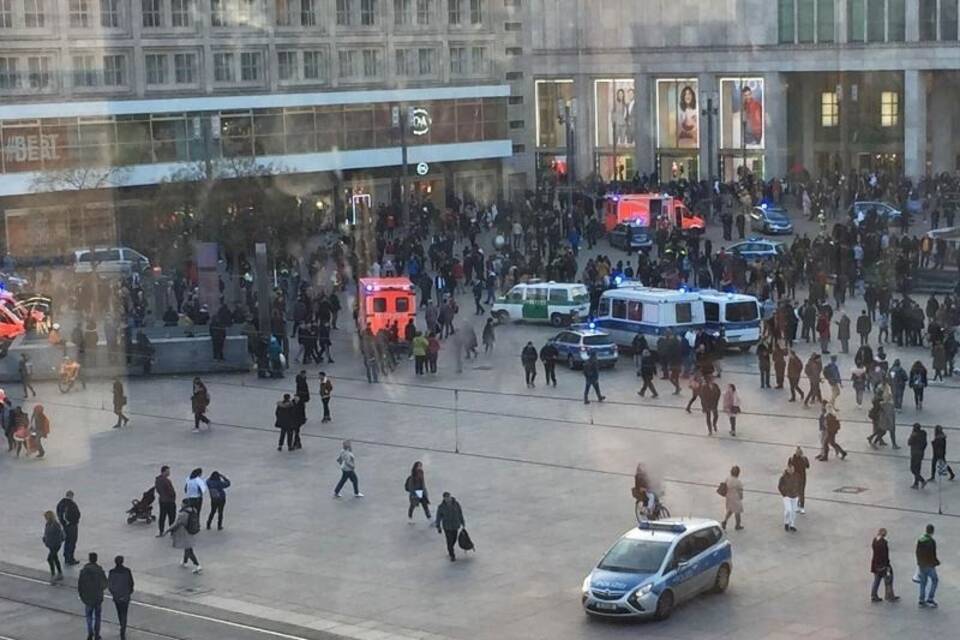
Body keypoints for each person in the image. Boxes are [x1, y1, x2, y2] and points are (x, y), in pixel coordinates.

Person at [164, 499, 201, 574]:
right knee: (187, 547)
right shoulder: (193, 510)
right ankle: (185, 561)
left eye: (182, 503)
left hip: (184, 532)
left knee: (189, 549)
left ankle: (197, 565)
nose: (181, 504)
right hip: (191, 531)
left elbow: (177, 524)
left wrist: (168, 530)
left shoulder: (183, 513)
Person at [77, 552, 107, 640]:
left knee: (89, 616)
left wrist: (82, 596)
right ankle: (97, 634)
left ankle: (90, 633)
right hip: (97, 598)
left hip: (88, 598)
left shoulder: (84, 570)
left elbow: (80, 585)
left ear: (89, 559)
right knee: (98, 616)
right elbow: (105, 584)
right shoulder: (99, 570)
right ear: (96, 559)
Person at [107, 556, 135, 640]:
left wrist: (114, 594)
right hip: (125, 596)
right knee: (124, 612)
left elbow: (110, 585)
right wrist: (129, 592)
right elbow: (131, 583)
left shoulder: (112, 572)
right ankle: (123, 628)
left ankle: (122, 625)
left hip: (117, 597)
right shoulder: (127, 571)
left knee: (119, 612)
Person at [870, 529, 900, 603]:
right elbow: (885, 555)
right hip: (883, 565)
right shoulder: (883, 543)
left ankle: (874, 595)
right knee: (889, 579)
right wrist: (887, 565)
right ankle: (889, 596)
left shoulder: (874, 540)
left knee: (877, 580)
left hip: (875, 564)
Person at [435, 492, 465, 561]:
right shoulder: (441, 507)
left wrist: (462, 522)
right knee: (449, 541)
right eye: (446, 498)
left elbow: (460, 513)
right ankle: (452, 555)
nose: (447, 499)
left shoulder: (456, 504)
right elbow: (438, 517)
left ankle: (450, 549)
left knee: (454, 539)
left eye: (448, 497)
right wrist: (438, 526)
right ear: (444, 498)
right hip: (447, 527)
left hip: (455, 525)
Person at [915, 524, 940, 608]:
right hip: (929, 565)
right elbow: (933, 554)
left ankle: (921, 600)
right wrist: (936, 562)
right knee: (935, 580)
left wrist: (919, 562)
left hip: (921, 565)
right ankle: (930, 598)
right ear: (932, 531)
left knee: (923, 582)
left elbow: (917, 552)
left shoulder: (920, 539)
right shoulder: (931, 541)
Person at [56, 490, 81, 566]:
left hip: (65, 526)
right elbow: (77, 514)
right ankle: (70, 558)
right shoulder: (71, 504)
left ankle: (66, 556)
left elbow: (58, 512)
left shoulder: (61, 503)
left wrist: (62, 522)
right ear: (71, 496)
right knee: (72, 541)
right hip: (72, 526)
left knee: (67, 541)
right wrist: (74, 521)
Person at [777, 463, 801, 532]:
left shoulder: (797, 476)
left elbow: (800, 484)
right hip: (787, 496)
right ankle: (786, 522)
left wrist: (798, 493)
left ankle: (792, 525)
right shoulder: (783, 477)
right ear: (787, 470)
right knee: (788, 510)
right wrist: (784, 494)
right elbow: (779, 486)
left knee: (793, 511)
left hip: (795, 496)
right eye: (790, 469)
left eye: (792, 469)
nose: (791, 471)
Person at [42, 510, 64, 584]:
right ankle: (60, 573)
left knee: (50, 559)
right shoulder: (48, 524)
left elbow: (59, 535)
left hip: (55, 545)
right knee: (55, 558)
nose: (45, 518)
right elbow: (46, 533)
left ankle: (53, 575)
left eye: (46, 517)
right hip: (51, 545)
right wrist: (45, 539)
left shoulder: (56, 525)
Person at [155, 465, 176, 537]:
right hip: (169, 501)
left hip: (162, 500)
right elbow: (171, 491)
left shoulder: (157, 480)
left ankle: (161, 531)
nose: (169, 472)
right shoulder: (166, 481)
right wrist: (173, 496)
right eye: (168, 471)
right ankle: (172, 532)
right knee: (172, 517)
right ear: (164, 472)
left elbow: (157, 490)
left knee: (162, 516)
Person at [720, 465, 743, 531]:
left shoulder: (728, 479)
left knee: (730, 510)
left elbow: (724, 485)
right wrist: (741, 497)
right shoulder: (738, 482)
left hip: (728, 497)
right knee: (737, 512)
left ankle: (724, 521)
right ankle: (737, 525)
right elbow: (740, 492)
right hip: (736, 499)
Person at [789, 446, 810, 514]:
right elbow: (789, 468)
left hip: (802, 478)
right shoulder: (792, 459)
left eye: (800, 452)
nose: (799, 454)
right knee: (797, 492)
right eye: (798, 452)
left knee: (801, 492)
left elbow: (807, 466)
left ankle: (801, 506)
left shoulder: (804, 459)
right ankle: (797, 505)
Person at [908, 423, 928, 490]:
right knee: (917, 469)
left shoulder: (914, 435)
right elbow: (925, 444)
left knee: (913, 469)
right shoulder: (923, 434)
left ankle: (922, 481)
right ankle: (916, 483)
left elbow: (909, 443)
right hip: (921, 453)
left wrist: (912, 436)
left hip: (915, 453)